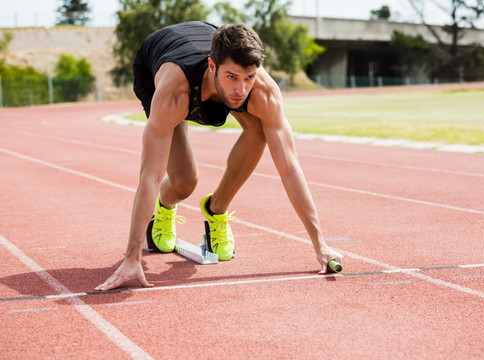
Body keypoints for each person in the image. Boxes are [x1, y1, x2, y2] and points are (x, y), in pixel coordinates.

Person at [95, 21, 343, 291]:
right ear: (212, 66)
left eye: (249, 77)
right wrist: (133, 257)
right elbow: (150, 177)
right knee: (184, 182)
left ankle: (216, 209)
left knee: (259, 129)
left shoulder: (262, 91)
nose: (241, 90)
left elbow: (289, 169)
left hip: (204, 50)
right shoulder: (172, 93)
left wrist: (321, 245)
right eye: (232, 77)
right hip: (161, 66)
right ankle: (164, 208)